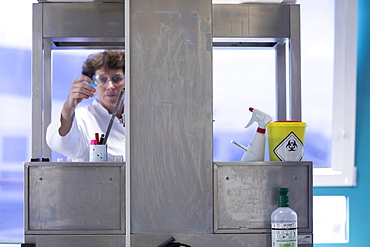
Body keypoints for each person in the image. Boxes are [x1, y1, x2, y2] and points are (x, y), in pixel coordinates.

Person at [46, 50, 125, 161]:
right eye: (102, 79)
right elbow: (61, 143)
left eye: (117, 78)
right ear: (93, 83)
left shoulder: (137, 118)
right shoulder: (83, 117)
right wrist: (68, 107)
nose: (110, 86)